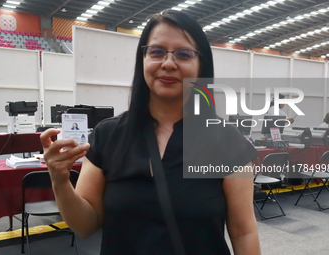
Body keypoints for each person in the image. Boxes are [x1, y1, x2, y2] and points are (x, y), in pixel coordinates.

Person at [40, 10, 261, 255]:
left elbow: (244, 233)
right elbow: (85, 225)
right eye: (156, 52)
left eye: (183, 54)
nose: (168, 63)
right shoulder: (108, 135)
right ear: (142, 60)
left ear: (201, 66)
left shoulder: (227, 142)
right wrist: (60, 182)